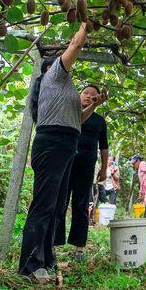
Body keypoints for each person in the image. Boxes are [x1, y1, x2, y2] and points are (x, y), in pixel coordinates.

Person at [18, 22, 108, 283]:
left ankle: (45, 259)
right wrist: (84, 21)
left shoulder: (62, 88)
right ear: (51, 66)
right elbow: (77, 44)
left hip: (66, 140)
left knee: (57, 206)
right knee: (45, 204)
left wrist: (95, 105)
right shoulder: (54, 74)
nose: (67, 58)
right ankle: (31, 265)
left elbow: (77, 119)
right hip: (54, 141)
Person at [54, 85, 109, 262]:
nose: (88, 96)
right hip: (66, 162)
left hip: (86, 165)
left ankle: (79, 247)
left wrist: (103, 168)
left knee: (81, 204)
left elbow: (104, 147)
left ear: (98, 99)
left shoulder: (100, 121)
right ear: (78, 96)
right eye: (85, 93)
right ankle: (53, 244)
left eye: (93, 95)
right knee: (59, 203)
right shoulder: (70, 113)